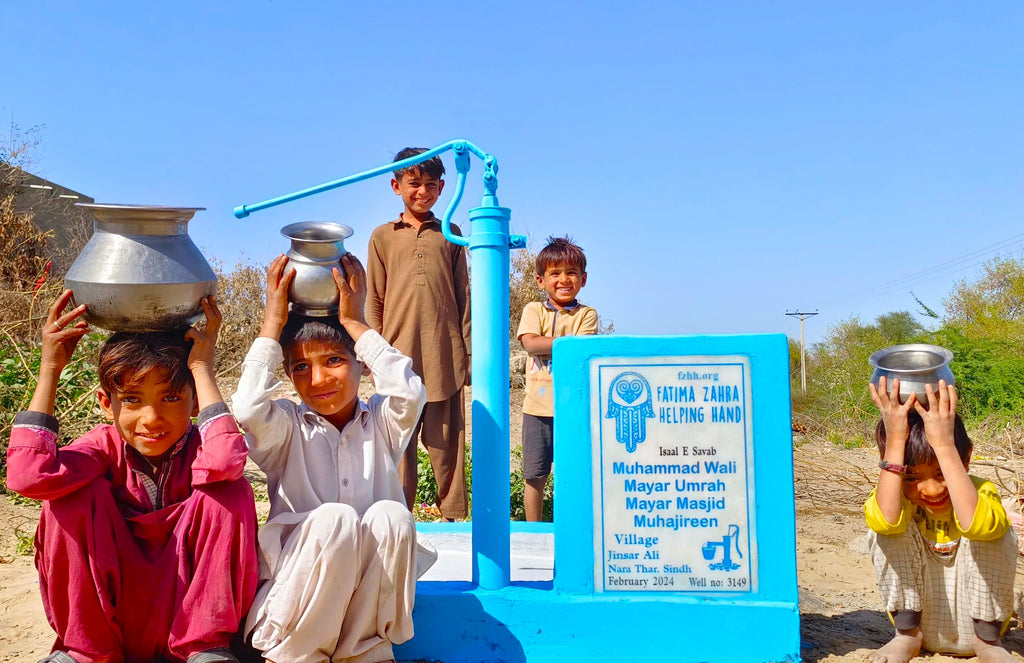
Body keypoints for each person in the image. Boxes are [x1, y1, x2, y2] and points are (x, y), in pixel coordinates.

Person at [6, 290, 258, 663]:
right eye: (133, 399)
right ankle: (84, 651)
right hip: (114, 629)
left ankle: (208, 647)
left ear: (194, 401)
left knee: (230, 492)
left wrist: (202, 368)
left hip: (190, 629)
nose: (151, 420)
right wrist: (50, 368)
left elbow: (226, 459)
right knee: (69, 497)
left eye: (171, 398)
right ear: (107, 403)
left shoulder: (200, 450)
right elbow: (28, 476)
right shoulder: (102, 447)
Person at [233, 252, 429, 663]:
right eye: (300, 367)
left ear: (363, 364)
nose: (317, 380)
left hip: (365, 606)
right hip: (296, 612)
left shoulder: (381, 421)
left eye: (334, 360)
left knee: (393, 517)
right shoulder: (286, 427)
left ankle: (366, 654)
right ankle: (296, 657)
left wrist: (357, 324)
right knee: (335, 519)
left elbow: (410, 392)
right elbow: (249, 407)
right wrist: (272, 323)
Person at [864, 376, 1017, 663]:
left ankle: (989, 643)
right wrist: (895, 439)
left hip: (979, 627)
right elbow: (884, 522)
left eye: (941, 473)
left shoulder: (982, 492)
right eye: (912, 477)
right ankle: (906, 639)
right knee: (883, 529)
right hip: (917, 624)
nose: (931, 490)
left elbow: (978, 526)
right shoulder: (897, 501)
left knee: (994, 528)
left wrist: (944, 446)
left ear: (966, 457)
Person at [365, 147, 470, 521]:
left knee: (447, 444)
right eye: (414, 184)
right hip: (396, 358)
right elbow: (373, 300)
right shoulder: (382, 237)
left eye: (430, 185)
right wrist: (372, 353)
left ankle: (453, 517)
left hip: (445, 355)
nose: (422, 192)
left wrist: (468, 354)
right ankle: (396, 519)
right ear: (396, 186)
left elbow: (464, 299)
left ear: (442, 188)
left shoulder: (451, 235)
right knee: (398, 445)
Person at [516, 236, 598, 521]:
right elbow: (529, 344)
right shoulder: (533, 310)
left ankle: (567, 527)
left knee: (570, 473)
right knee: (535, 475)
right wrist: (566, 344)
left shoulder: (587, 315)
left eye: (571, 273)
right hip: (535, 410)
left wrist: (546, 341)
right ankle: (534, 531)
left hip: (571, 408)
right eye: (555, 273)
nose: (564, 280)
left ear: (583, 279)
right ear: (541, 281)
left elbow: (580, 350)